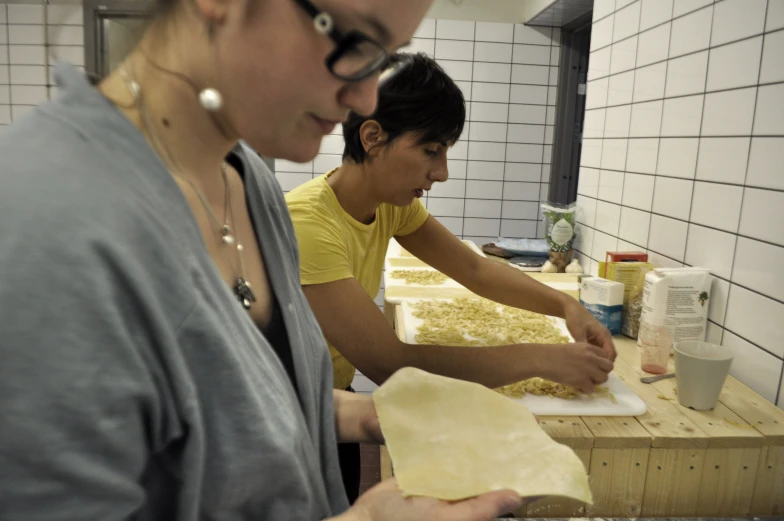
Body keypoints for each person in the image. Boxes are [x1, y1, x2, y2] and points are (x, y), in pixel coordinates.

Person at [0, 0, 535, 520]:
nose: (366, 99)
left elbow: (222, 413)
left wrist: (368, 414)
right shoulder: (43, 221)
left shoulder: (248, 178)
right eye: (355, 42)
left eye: (384, 58)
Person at [285, 53, 617, 498]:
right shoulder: (308, 224)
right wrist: (545, 359)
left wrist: (566, 306)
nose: (441, 173)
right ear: (372, 137)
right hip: (286, 414)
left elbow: (475, 269)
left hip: (331, 394)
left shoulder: (388, 205)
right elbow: (390, 364)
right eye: (431, 150)